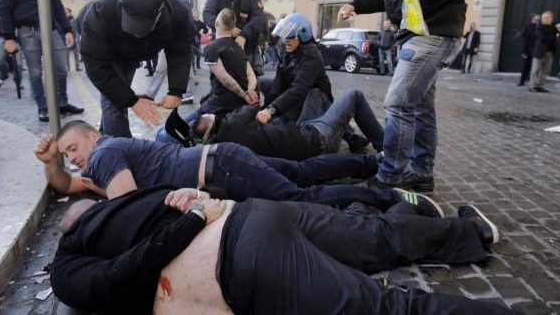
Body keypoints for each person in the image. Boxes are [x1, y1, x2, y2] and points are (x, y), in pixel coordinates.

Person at [50, 185, 513, 315]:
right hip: (252, 218)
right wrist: (196, 205)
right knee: (375, 236)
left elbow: (115, 279)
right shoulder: (123, 208)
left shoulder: (69, 259)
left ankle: (467, 235)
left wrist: (194, 212)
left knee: (386, 305)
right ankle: (468, 233)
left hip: (239, 253)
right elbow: (118, 275)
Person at [338, 0, 486, 192]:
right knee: (419, 107)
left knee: (397, 102)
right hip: (412, 33)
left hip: (433, 31)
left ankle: (390, 177)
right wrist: (357, 3)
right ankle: (421, 172)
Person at [35, 119, 430, 212]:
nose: (73, 157)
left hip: (224, 167)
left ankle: (388, 196)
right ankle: (368, 164)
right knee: (302, 170)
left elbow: (129, 207)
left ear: (91, 136)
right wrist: (53, 163)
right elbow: (66, 186)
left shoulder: (104, 154)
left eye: (72, 148)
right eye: (67, 154)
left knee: (301, 194)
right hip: (223, 159)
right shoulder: (101, 159)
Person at [77, 0, 193, 137]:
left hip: (132, 54)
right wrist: (133, 101)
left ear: (158, 15)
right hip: (106, 51)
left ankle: (106, 143)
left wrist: (176, 91)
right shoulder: (101, 12)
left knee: (118, 96)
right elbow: (97, 67)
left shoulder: (178, 14)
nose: (135, 33)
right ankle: (121, 154)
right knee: (115, 101)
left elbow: (179, 52)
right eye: (132, 26)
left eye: (141, 28)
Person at [0, 0, 84, 122]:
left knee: (61, 69)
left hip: (51, 31)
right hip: (27, 32)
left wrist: (67, 30)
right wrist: (9, 37)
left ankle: (62, 103)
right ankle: (43, 107)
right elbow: (4, 10)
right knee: (35, 72)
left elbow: (58, 7)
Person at [188, 89, 383, 161]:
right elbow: (252, 106)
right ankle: (385, 148)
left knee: (315, 94)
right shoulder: (233, 123)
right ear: (212, 120)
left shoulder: (223, 147)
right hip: (317, 139)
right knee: (354, 96)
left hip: (301, 135)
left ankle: (350, 137)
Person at [203, 0, 266, 74]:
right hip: (221, 45)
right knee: (221, 81)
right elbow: (207, 14)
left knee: (248, 80)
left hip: (246, 47)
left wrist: (244, 35)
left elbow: (259, 18)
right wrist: (226, 28)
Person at [199, 8, 258, 117]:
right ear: (233, 28)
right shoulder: (238, 46)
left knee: (189, 124)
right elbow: (251, 74)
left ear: (216, 23)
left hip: (222, 104)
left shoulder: (211, 48)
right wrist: (250, 90)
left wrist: (244, 95)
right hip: (241, 104)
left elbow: (225, 78)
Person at [528, 11, 560, 93]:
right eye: (543, 18)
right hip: (539, 51)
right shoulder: (539, 26)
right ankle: (532, 86)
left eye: (546, 18)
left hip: (550, 52)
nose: (544, 19)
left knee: (545, 70)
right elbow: (542, 37)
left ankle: (540, 86)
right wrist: (555, 35)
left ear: (551, 18)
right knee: (535, 70)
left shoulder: (554, 26)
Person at [518, 14, 539, 86]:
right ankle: (522, 81)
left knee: (535, 67)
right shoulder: (528, 27)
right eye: (535, 18)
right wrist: (523, 51)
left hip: (537, 49)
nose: (536, 20)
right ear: (532, 19)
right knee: (525, 66)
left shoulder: (539, 27)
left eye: (537, 19)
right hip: (529, 49)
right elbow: (524, 40)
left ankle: (533, 82)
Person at [64, 7, 81, 72]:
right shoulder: (63, 21)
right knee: (66, 56)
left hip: (75, 41)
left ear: (70, 13)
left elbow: (77, 29)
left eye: (67, 12)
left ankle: (77, 67)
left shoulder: (74, 20)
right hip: (66, 42)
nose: (65, 13)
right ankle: (67, 68)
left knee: (76, 55)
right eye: (65, 12)